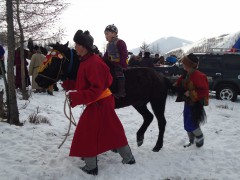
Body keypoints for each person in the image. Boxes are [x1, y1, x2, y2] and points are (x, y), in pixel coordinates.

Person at [67, 30, 135, 176]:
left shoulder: (93, 63)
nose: (75, 46)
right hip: (100, 102)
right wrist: (70, 85)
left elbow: (95, 90)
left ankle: (91, 167)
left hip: (100, 102)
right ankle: (128, 158)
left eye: (77, 44)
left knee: (87, 131)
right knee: (112, 129)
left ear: (83, 46)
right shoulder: (88, 60)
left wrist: (76, 97)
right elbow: (87, 84)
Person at [173, 53, 209, 148]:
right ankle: (191, 141)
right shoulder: (186, 74)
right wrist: (173, 86)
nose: (183, 65)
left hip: (196, 104)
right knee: (187, 122)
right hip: (188, 103)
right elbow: (179, 82)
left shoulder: (199, 76)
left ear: (190, 65)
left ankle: (200, 138)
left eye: (185, 64)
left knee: (191, 123)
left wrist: (190, 93)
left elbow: (204, 90)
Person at [103, 24, 128, 98]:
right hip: (112, 63)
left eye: (107, 33)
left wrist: (122, 65)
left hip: (120, 64)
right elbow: (106, 56)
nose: (106, 36)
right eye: (105, 34)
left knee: (119, 73)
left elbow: (124, 54)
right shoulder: (108, 45)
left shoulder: (120, 42)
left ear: (114, 34)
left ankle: (121, 92)